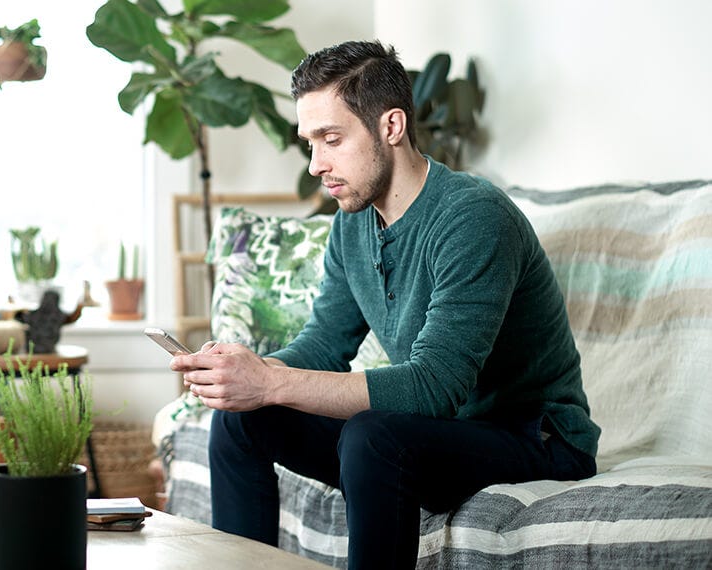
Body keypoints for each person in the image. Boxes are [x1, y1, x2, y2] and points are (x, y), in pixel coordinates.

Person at [170, 40, 600, 569]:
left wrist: (271, 381)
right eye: (310, 142)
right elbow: (326, 344)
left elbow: (433, 388)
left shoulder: (473, 217)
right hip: (437, 437)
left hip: (534, 438)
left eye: (331, 139)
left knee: (372, 436)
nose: (315, 164)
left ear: (391, 127)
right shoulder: (352, 222)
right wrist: (251, 373)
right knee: (242, 418)